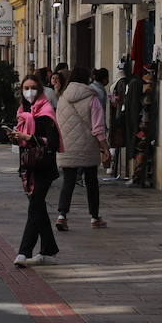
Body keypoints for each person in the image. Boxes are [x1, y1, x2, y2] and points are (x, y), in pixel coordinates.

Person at [10, 73, 61, 266]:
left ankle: (23, 252)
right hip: (28, 167)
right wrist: (16, 137)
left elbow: (53, 142)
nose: (29, 91)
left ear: (39, 90)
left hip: (44, 166)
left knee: (34, 207)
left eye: (32, 87)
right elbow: (23, 139)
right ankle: (49, 250)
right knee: (38, 208)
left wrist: (29, 138)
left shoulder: (46, 111)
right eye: (25, 88)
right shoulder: (23, 110)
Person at [56, 66, 111, 230]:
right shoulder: (92, 97)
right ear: (87, 80)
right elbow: (98, 127)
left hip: (66, 146)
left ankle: (61, 216)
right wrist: (105, 148)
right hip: (87, 146)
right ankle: (95, 217)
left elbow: (58, 123)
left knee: (68, 181)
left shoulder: (62, 98)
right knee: (92, 181)